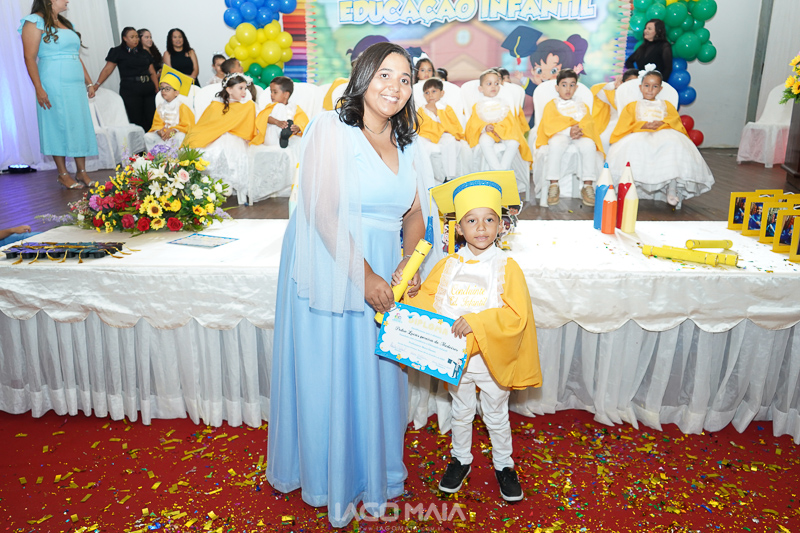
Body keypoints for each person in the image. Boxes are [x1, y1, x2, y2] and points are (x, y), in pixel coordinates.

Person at [266, 42, 441, 528]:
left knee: (379, 371)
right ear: (363, 76)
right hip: (333, 261)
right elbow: (322, 211)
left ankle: (373, 469)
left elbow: (416, 213)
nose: (395, 87)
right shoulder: (331, 128)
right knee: (335, 367)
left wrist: (409, 262)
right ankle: (330, 474)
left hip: (385, 266)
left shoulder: (410, 143)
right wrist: (363, 276)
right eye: (385, 74)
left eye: (405, 79)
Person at [406, 171, 541, 502]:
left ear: (501, 225)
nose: (481, 228)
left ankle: (504, 465)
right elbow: (428, 304)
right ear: (459, 228)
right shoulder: (448, 266)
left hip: (493, 359)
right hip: (457, 359)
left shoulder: (507, 268)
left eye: (489, 220)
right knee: (461, 410)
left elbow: (517, 316)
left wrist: (477, 322)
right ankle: (461, 459)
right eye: (471, 221)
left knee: (496, 414)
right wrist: (410, 293)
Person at [20, 0, 98, 190]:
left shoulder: (66, 23)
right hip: (53, 81)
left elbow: (75, 55)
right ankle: (63, 174)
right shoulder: (33, 21)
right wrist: (39, 88)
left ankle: (81, 171)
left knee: (78, 124)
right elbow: (29, 57)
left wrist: (88, 82)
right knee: (57, 124)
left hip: (75, 83)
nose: (67, 0)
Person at [608, 68, 714, 207]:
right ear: (640, 87)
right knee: (635, 147)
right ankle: (630, 188)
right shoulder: (632, 106)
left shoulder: (666, 105)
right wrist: (643, 125)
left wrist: (663, 123)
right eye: (646, 85)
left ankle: (672, 188)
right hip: (639, 134)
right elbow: (624, 125)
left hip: (664, 133)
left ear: (660, 89)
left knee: (674, 145)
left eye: (655, 86)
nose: (650, 90)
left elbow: (675, 122)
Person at [184, 73, 257, 203]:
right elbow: (207, 124)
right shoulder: (216, 105)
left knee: (227, 145)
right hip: (213, 135)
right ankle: (210, 185)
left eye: (245, 88)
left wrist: (230, 131)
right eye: (240, 88)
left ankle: (225, 183)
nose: (244, 92)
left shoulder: (248, 105)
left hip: (236, 137)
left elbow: (248, 127)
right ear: (229, 90)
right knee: (204, 147)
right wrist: (215, 133)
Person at [535, 69, 603, 206]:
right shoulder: (552, 104)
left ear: (576, 88)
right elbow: (549, 123)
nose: (568, 89)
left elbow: (588, 122)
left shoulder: (581, 105)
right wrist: (568, 131)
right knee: (555, 144)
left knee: (589, 145)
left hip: (580, 134)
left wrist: (578, 130)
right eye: (564, 85)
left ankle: (588, 185)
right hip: (560, 134)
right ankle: (554, 184)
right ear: (557, 87)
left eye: (572, 85)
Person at [465, 69, 532, 174]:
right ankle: (497, 170)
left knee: (514, 142)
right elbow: (474, 123)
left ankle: (503, 170)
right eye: (489, 84)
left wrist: (500, 130)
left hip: (504, 132)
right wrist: (484, 127)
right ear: (480, 88)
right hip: (487, 133)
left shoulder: (504, 104)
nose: (493, 86)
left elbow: (510, 122)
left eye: (496, 84)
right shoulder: (478, 106)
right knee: (484, 142)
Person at [93, 27, 159, 132]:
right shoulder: (118, 51)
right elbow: (107, 70)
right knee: (136, 118)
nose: (135, 39)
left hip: (148, 89)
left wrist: (156, 88)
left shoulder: (144, 52)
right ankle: (140, 141)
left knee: (152, 117)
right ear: (124, 38)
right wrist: (97, 84)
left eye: (137, 37)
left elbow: (152, 72)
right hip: (131, 90)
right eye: (132, 37)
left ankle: (152, 140)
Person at [416, 78, 470, 182]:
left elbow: (454, 123)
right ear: (424, 95)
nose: (430, 95)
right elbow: (420, 126)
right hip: (428, 135)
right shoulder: (422, 109)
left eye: (434, 91)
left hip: (444, 134)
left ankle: (450, 176)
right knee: (423, 144)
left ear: (442, 93)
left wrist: (454, 133)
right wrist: (437, 129)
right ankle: (435, 176)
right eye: (427, 93)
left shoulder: (446, 108)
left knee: (450, 140)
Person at [144, 67, 195, 152]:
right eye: (162, 88)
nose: (163, 91)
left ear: (176, 92)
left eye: (167, 89)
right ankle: (155, 157)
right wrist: (160, 132)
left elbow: (187, 125)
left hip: (176, 134)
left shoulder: (182, 107)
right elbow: (157, 124)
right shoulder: (160, 107)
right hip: (163, 134)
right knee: (147, 136)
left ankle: (177, 158)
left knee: (180, 136)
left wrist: (173, 130)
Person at [251, 76, 308, 149]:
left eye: (275, 92)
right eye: (271, 92)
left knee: (298, 141)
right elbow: (265, 117)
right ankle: (283, 133)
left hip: (288, 138)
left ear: (286, 95)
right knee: (279, 107)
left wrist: (298, 128)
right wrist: (276, 122)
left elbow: (302, 122)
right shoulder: (271, 106)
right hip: (272, 136)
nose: (271, 95)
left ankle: (285, 134)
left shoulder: (294, 108)